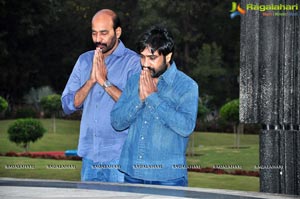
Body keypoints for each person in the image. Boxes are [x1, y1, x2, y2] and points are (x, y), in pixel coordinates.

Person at [111, 26, 199, 186]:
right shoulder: (134, 80)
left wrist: (152, 97)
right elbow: (116, 122)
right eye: (142, 57)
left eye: (152, 58)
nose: (145, 64)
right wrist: (140, 98)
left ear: (168, 56)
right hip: (132, 174)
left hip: (168, 177)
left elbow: (186, 127)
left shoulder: (187, 86)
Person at [61, 9, 140, 182]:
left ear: (117, 32)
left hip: (120, 157)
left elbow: (134, 106)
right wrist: (90, 81)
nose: (98, 39)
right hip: (89, 156)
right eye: (94, 33)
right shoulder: (84, 60)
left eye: (104, 33)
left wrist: (104, 82)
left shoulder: (133, 62)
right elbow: (67, 105)